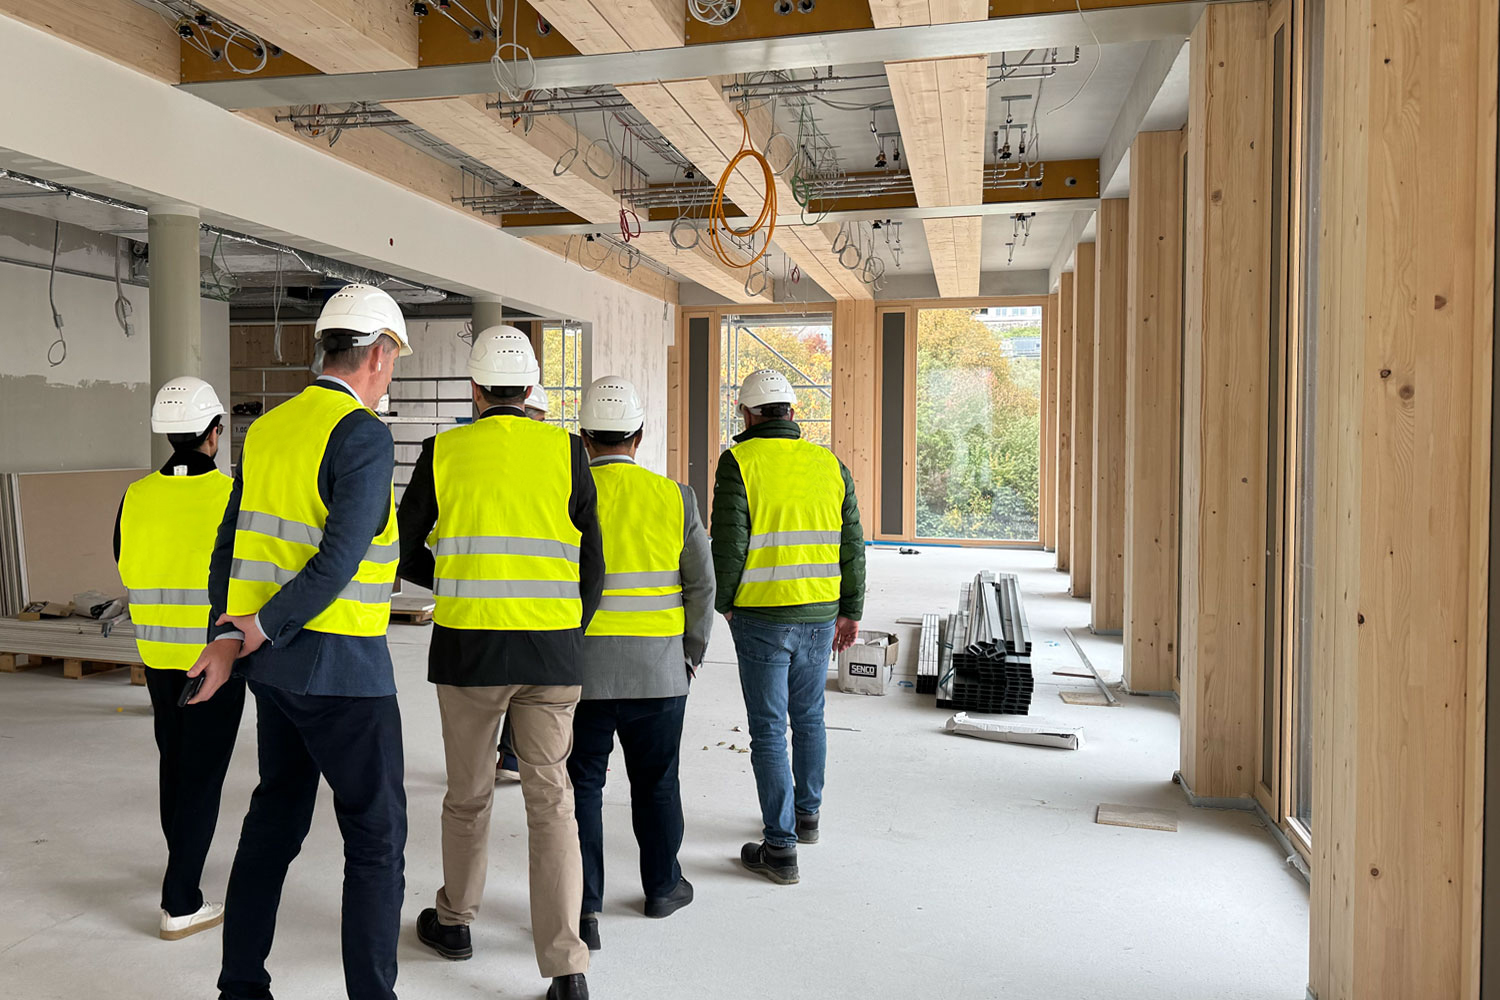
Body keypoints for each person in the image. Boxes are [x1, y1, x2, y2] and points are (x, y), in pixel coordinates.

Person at [188, 283, 412, 1000]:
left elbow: (230, 543)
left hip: (274, 673)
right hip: (343, 667)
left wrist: (228, 635)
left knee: (275, 819)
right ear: (378, 354)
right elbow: (340, 558)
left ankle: (240, 986)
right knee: (376, 843)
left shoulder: (271, 428)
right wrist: (258, 626)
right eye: (393, 361)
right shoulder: (363, 434)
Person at [397, 326, 602, 1000]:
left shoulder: (443, 450)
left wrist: (452, 578)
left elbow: (404, 545)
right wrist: (569, 628)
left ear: (475, 389)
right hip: (552, 651)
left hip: (470, 650)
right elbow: (593, 567)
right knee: (552, 803)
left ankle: (455, 922)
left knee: (468, 795)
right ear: (531, 388)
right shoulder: (568, 451)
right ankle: (567, 968)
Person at [567, 376, 714, 951]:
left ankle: (582, 907)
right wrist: (691, 654)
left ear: (584, 439)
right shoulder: (675, 497)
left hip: (579, 673)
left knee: (581, 787)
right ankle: (661, 886)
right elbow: (702, 585)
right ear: (641, 435)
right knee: (656, 783)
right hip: (659, 673)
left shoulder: (568, 494)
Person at [710, 368, 866, 886]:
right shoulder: (830, 464)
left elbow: (728, 543)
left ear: (748, 415)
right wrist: (852, 608)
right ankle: (808, 817)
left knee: (769, 730)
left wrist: (726, 602)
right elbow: (852, 544)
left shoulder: (738, 462)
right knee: (810, 717)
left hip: (761, 617)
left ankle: (780, 849)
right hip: (821, 613)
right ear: (793, 414)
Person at [114, 376, 242, 941]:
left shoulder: (136, 495)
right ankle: (181, 899)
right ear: (216, 433)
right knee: (203, 774)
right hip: (212, 656)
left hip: (155, 654)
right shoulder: (231, 494)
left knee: (175, 762)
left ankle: (180, 863)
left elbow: (124, 558)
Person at [495, 383, 551, 782]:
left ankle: (507, 757)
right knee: (528, 684)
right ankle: (514, 758)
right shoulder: (557, 457)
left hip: (486, 595)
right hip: (540, 596)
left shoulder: (478, 457)